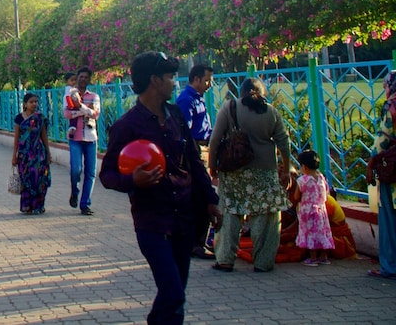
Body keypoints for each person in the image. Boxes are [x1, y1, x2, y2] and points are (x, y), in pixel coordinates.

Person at [100, 52, 221, 325]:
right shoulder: (127, 126)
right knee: (172, 291)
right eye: (169, 77)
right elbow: (106, 174)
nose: (174, 83)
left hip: (184, 218)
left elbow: (193, 160)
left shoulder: (176, 114)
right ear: (155, 81)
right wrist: (133, 181)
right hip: (152, 222)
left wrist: (211, 200)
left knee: (177, 296)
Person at [207, 77, 292, 273]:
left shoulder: (229, 107)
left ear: (242, 91)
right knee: (266, 217)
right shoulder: (271, 112)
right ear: (261, 93)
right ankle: (263, 262)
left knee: (230, 213)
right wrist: (286, 170)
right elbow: (284, 143)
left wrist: (212, 166)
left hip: (234, 171)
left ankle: (225, 260)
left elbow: (215, 139)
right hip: (265, 172)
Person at [176, 63, 216, 260]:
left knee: (201, 195)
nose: (209, 84)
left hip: (203, 148)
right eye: (207, 80)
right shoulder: (186, 100)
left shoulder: (198, 98)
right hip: (194, 151)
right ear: (196, 79)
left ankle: (198, 241)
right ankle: (196, 243)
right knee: (201, 196)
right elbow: (184, 130)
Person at [367, 70, 396, 279]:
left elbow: (382, 139)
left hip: (393, 173)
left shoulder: (392, 107)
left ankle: (390, 265)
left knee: (389, 219)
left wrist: (370, 163)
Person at [64, 67, 100, 215]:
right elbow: (66, 113)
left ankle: (85, 204)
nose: (83, 79)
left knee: (90, 173)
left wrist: (79, 108)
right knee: (76, 169)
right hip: (75, 137)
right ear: (76, 77)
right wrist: (84, 110)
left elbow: (95, 114)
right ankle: (74, 190)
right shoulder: (70, 94)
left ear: (89, 79)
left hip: (91, 137)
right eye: (81, 76)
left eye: (86, 77)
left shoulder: (94, 96)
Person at [292, 149, 334, 266]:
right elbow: (326, 193)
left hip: (307, 211)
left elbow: (296, 196)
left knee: (310, 233)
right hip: (321, 209)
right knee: (322, 232)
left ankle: (313, 257)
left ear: (304, 167)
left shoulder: (302, 180)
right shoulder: (321, 178)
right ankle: (324, 256)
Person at [12, 92, 51, 214]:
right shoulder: (19, 118)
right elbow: (17, 138)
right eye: (31, 102)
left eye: (35, 101)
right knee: (26, 180)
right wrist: (15, 155)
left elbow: (44, 136)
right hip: (24, 155)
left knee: (40, 180)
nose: (34, 104)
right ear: (25, 104)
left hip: (38, 153)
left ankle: (39, 205)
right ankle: (27, 206)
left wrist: (48, 153)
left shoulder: (40, 118)